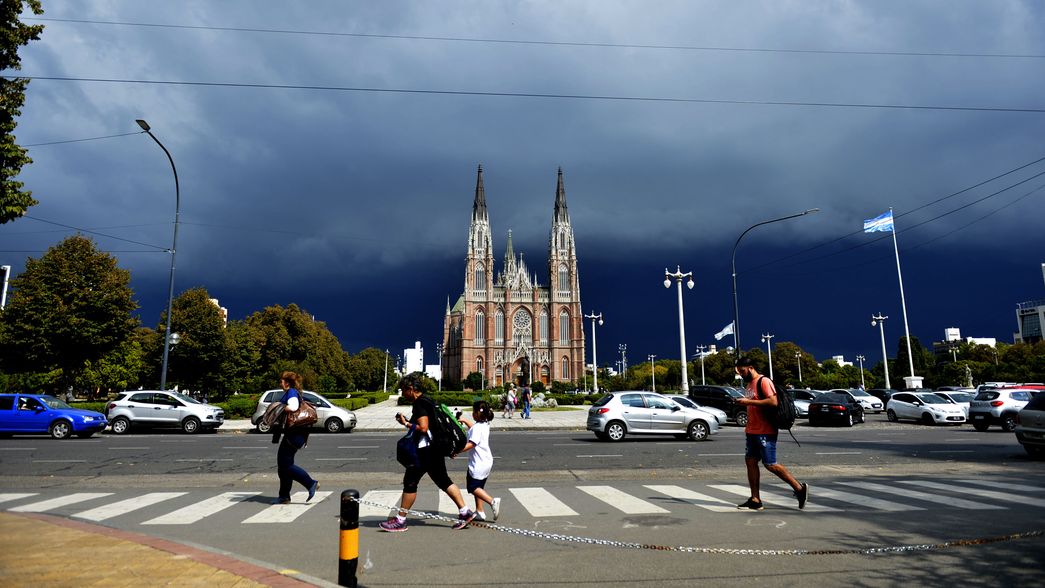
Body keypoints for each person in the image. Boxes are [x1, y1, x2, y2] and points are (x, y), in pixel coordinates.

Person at [380, 373, 477, 532]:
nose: (403, 393)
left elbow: (424, 428)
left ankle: (400, 520)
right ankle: (465, 512)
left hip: (425, 452)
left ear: (411, 389)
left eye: (403, 390)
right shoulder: (429, 400)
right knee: (444, 481)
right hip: (435, 449)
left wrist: (405, 423)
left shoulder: (419, 404)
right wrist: (408, 421)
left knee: (410, 482)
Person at [733, 355, 808, 511]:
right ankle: (755, 499)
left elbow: (773, 401)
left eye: (742, 371)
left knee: (770, 464)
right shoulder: (749, 385)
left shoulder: (764, 381)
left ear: (750, 368)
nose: (741, 374)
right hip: (752, 430)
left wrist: (748, 402)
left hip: (766, 431)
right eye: (739, 372)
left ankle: (799, 489)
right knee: (751, 461)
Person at [272, 371, 319, 505]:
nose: (280, 383)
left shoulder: (291, 392)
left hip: (294, 434)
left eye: (281, 381)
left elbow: (293, 407)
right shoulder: (292, 392)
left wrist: (280, 407)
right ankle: (284, 496)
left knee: (285, 466)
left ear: (287, 382)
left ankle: (311, 483)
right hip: (294, 434)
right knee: (283, 467)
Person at [453, 401, 501, 521]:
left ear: (476, 413)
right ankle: (479, 511)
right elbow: (473, 428)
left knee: (472, 487)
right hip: (486, 461)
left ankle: (492, 501)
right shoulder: (484, 424)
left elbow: (471, 444)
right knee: (479, 487)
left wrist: (456, 451)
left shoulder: (477, 428)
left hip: (479, 462)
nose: (472, 415)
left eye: (473, 412)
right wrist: (463, 420)